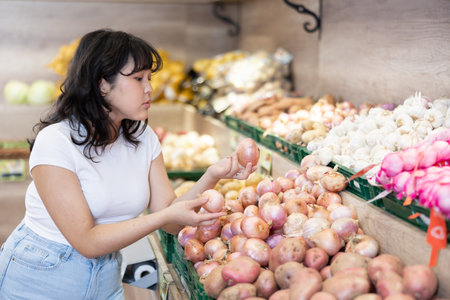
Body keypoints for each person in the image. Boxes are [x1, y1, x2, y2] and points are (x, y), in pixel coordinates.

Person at [0, 29, 255, 299]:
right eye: (138, 78)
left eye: (149, 78)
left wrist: (212, 175)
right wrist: (163, 217)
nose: (150, 88)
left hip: (107, 274)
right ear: (101, 84)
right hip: (42, 273)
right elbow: (87, 241)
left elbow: (169, 217)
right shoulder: (56, 142)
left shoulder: (142, 138)